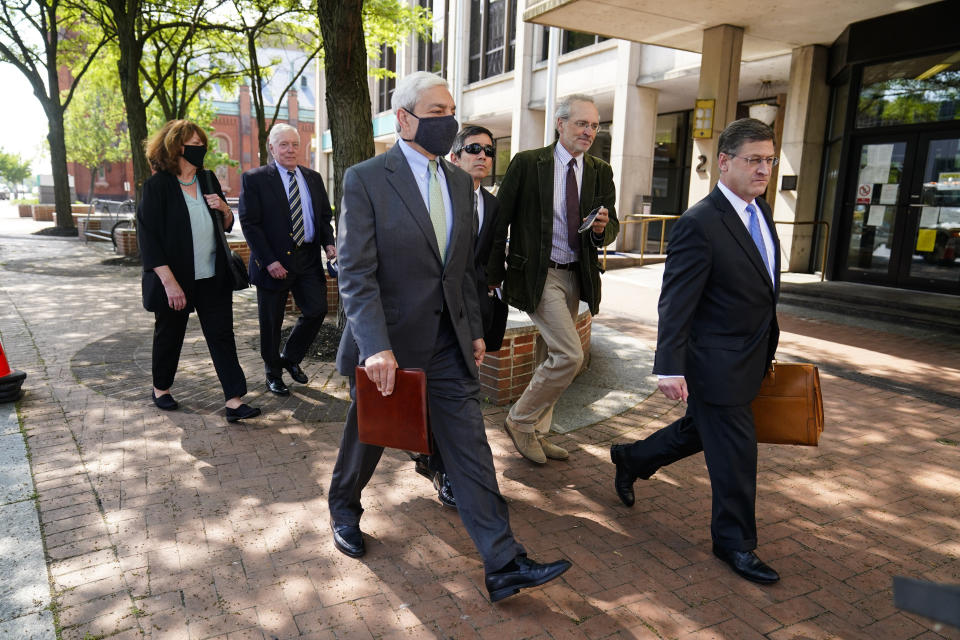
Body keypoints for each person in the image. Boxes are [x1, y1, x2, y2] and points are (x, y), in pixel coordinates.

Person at [327, 71, 570, 603]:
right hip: (387, 345)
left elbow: (460, 271)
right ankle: (344, 505)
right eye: (436, 112)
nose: (448, 121)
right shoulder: (365, 178)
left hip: (447, 344)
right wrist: (375, 346)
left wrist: (474, 330)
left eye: (450, 110)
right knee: (368, 438)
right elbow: (356, 272)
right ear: (404, 118)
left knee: (470, 448)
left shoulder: (461, 183)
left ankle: (503, 563)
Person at [610, 118, 782, 585]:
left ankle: (632, 458)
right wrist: (669, 365)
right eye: (754, 160)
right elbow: (676, 299)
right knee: (736, 456)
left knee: (701, 433)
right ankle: (735, 542)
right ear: (724, 162)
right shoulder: (699, 223)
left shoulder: (759, 211)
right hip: (716, 362)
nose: (764, 169)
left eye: (769, 159)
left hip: (750, 355)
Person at [487, 94, 618, 464]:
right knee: (569, 355)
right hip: (538, 274)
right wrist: (493, 275)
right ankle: (520, 420)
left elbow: (611, 228)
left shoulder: (599, 171)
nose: (589, 131)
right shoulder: (529, 164)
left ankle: (539, 433)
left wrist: (601, 231)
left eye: (594, 125)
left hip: (578, 275)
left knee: (550, 351)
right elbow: (500, 222)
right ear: (560, 124)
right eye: (581, 123)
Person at [409, 124, 507, 509]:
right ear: (454, 156)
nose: (483, 156)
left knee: (459, 398)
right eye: (473, 149)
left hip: (472, 312)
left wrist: (491, 295)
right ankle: (439, 466)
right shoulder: (436, 195)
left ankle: (450, 472)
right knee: (437, 396)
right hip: (430, 313)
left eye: (489, 149)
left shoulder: (494, 204)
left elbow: (486, 258)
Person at [137, 119, 260, 423]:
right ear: (175, 147)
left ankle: (234, 400)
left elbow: (227, 227)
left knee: (222, 336)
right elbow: (148, 239)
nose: (201, 149)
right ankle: (161, 388)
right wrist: (169, 283)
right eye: (194, 144)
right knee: (170, 334)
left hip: (212, 276)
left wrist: (226, 210)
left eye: (202, 144)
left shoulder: (207, 180)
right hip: (176, 279)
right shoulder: (158, 186)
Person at [238, 123, 336, 396]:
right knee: (271, 322)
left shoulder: (313, 177)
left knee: (317, 310)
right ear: (272, 148)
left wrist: (329, 243)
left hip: (307, 259)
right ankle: (273, 373)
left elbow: (323, 218)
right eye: (284, 145)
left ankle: (290, 358)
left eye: (294, 144)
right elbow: (250, 223)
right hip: (273, 263)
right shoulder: (255, 179)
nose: (290, 150)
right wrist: (269, 261)